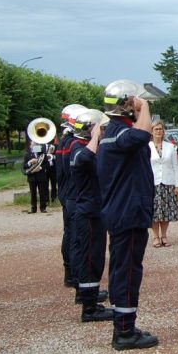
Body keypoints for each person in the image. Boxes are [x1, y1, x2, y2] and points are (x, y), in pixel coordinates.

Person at [97, 80, 158, 350]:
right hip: (127, 212)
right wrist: (144, 106)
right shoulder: (120, 133)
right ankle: (124, 331)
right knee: (127, 271)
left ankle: (125, 325)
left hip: (126, 210)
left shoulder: (115, 132)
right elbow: (143, 135)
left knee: (126, 269)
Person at [68, 109, 115, 323]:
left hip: (95, 210)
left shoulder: (86, 146)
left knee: (95, 257)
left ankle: (92, 298)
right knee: (89, 257)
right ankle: (88, 307)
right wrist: (96, 136)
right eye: (99, 128)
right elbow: (84, 159)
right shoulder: (77, 147)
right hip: (87, 212)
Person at [55, 104, 87, 289]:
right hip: (74, 194)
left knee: (70, 234)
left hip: (67, 193)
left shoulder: (65, 141)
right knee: (75, 236)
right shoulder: (72, 142)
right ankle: (75, 276)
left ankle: (71, 273)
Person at [149, 119, 178, 247]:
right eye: (156, 129)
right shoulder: (147, 147)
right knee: (155, 212)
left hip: (168, 182)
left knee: (166, 211)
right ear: (151, 131)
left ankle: (164, 235)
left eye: (160, 129)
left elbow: (175, 166)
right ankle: (155, 236)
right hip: (153, 183)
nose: (159, 131)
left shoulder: (171, 146)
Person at [23, 139, 51, 214]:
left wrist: (41, 168)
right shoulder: (27, 155)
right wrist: (30, 162)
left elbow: (47, 165)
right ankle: (33, 208)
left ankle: (43, 208)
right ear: (30, 146)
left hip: (41, 176)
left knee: (42, 192)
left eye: (36, 145)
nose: (35, 146)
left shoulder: (42, 154)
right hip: (32, 177)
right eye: (33, 145)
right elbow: (24, 166)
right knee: (33, 193)